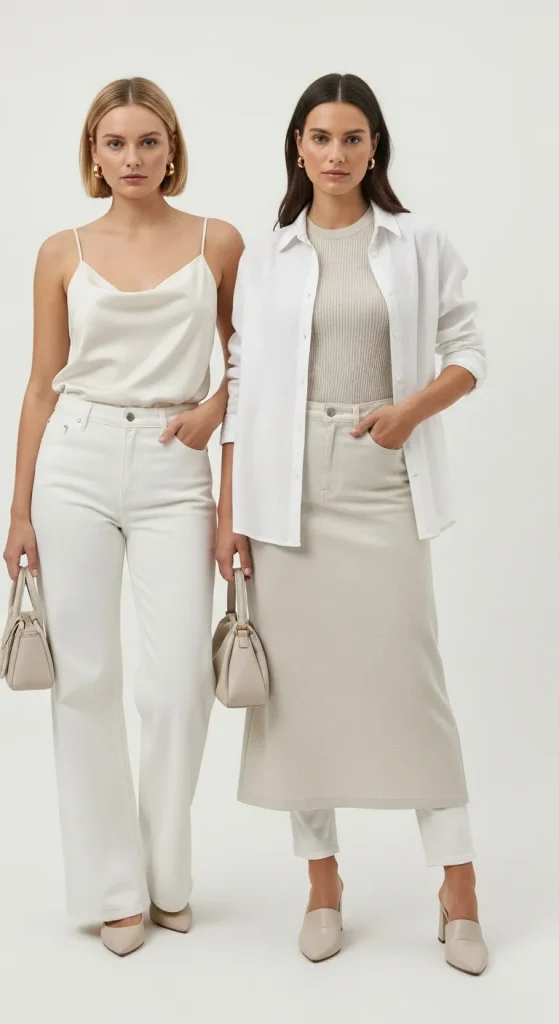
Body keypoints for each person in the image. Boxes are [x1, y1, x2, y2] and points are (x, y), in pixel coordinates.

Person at [216, 72, 488, 974]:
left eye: (353, 137)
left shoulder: (417, 242)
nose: (336, 153)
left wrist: (410, 411)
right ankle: (322, 883)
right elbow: (242, 383)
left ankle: (458, 888)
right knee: (300, 698)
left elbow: (468, 351)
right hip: (285, 485)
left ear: (375, 149)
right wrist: (230, 512)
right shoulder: (268, 255)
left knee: (414, 686)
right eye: (320, 137)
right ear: (297, 148)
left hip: (383, 475)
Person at [3, 76, 243, 956]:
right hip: (74, 461)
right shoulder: (60, 252)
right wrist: (19, 509)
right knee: (87, 680)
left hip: (176, 466)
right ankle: (115, 889)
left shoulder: (218, 242)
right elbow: (40, 384)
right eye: (115, 143)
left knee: (176, 684)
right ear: (93, 154)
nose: (132, 158)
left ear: (172, 150)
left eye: (148, 141)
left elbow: (249, 363)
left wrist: (216, 417)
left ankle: (166, 871)